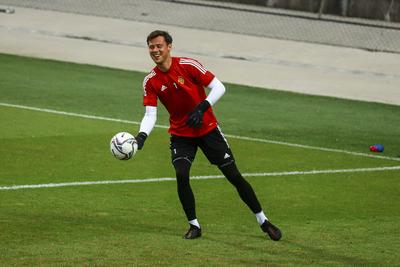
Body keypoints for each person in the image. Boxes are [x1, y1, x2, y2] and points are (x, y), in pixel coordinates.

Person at [135, 30, 282, 240]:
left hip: (208, 129)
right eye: (151, 46)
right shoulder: (150, 81)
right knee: (181, 174)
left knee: (233, 176)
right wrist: (141, 136)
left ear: (169, 47)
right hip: (181, 134)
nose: (155, 50)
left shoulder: (188, 65)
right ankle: (194, 226)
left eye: (159, 46)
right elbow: (150, 114)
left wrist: (202, 107)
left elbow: (219, 87)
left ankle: (263, 220)